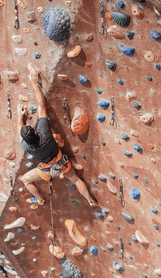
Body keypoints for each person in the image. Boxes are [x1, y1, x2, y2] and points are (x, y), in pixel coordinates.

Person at [18, 64, 97, 207]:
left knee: (25, 180)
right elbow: (42, 107)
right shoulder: (44, 134)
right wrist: (35, 83)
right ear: (35, 132)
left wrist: (20, 117)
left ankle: (39, 199)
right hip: (62, 163)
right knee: (77, 180)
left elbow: (20, 130)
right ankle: (90, 200)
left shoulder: (26, 146)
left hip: (46, 170)